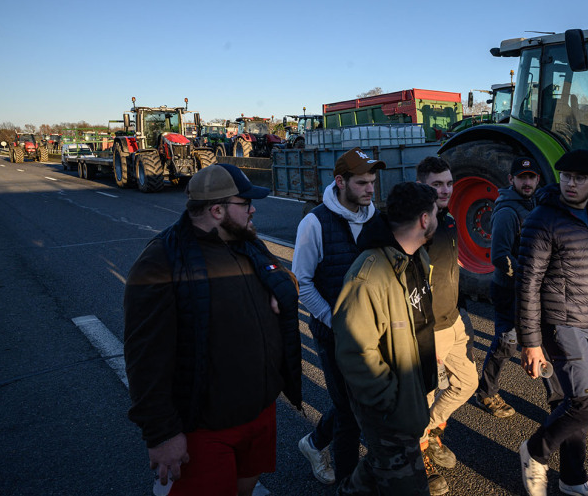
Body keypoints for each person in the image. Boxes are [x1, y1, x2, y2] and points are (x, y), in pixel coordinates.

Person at [123, 163, 302, 496]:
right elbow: (144, 357)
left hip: (260, 412)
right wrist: (161, 434)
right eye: (245, 203)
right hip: (206, 429)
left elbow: (283, 278)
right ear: (217, 210)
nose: (253, 209)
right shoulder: (162, 261)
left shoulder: (245, 242)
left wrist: (279, 293)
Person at [516, 149, 588, 496]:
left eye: (579, 178)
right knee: (586, 404)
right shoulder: (543, 219)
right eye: (566, 176)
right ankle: (535, 452)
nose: (571, 183)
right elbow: (527, 284)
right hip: (562, 325)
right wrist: (531, 342)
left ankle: (573, 479)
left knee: (573, 404)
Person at [332, 182, 440, 496]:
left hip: (410, 395)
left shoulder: (416, 258)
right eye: (434, 213)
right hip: (391, 409)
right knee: (407, 482)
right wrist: (390, 401)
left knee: (379, 466)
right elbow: (354, 351)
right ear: (423, 220)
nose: (437, 218)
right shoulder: (368, 275)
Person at [292, 147, 386, 485]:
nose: (370, 189)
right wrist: (335, 322)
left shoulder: (376, 219)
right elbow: (301, 282)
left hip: (372, 335)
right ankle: (348, 484)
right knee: (349, 413)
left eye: (373, 182)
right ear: (340, 182)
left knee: (363, 402)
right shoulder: (314, 223)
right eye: (362, 182)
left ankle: (315, 442)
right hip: (332, 333)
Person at [475, 156, 562, 418]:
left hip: (530, 289)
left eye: (531, 177)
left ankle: (558, 401)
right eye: (522, 177)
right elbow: (500, 256)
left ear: (537, 180)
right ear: (511, 180)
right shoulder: (506, 212)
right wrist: (527, 278)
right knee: (507, 342)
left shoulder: (534, 204)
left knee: (541, 339)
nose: (527, 182)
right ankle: (486, 393)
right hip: (509, 289)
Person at [415, 157, 478, 490]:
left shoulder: (449, 220)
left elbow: (450, 272)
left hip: (453, 322)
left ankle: (433, 429)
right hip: (429, 328)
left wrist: (461, 313)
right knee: (424, 395)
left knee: (467, 383)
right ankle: (420, 456)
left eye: (449, 183)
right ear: (423, 185)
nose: (445, 190)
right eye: (436, 184)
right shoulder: (417, 225)